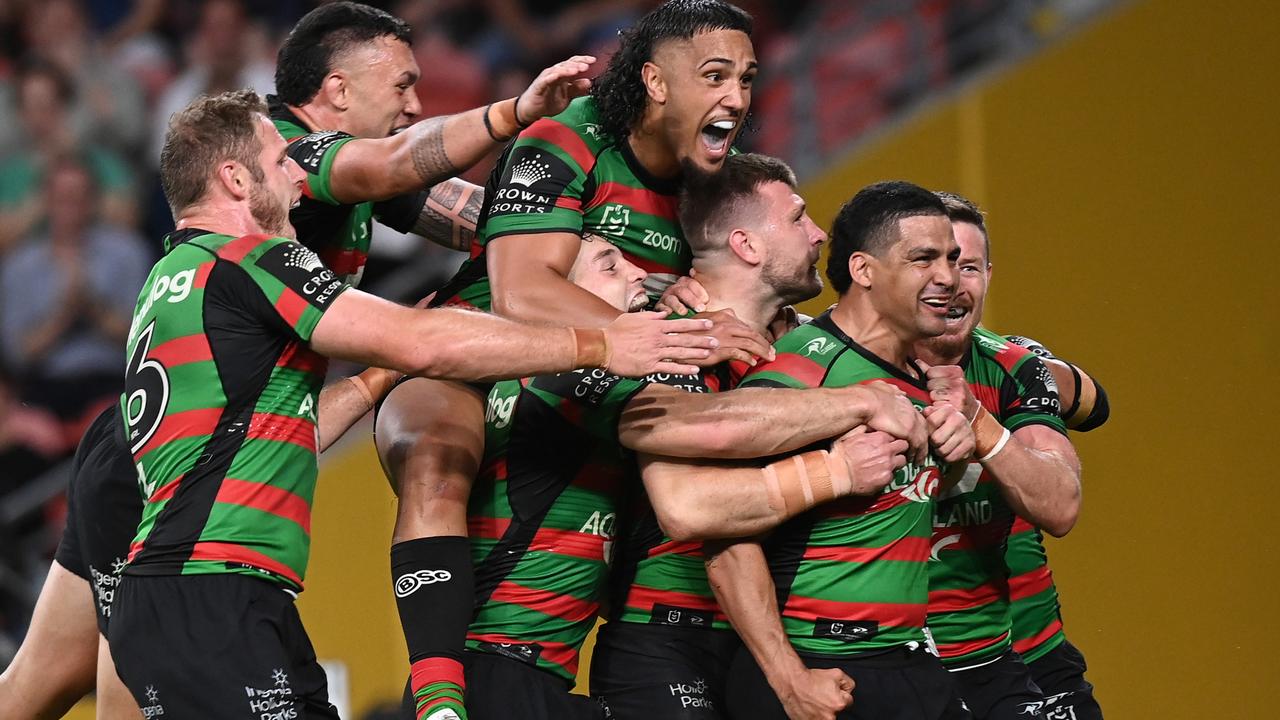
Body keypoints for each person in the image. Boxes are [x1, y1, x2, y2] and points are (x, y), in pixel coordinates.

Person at [103, 89, 716, 719]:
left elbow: (287, 432)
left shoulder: (169, 281)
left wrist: (374, 380)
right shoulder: (253, 259)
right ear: (234, 178)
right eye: (283, 162)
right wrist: (600, 343)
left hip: (166, 594)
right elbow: (424, 343)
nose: (298, 180)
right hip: (215, 591)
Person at [375, 2, 770, 716]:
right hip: (477, 348)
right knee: (434, 453)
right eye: (715, 76)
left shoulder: (719, 186)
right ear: (655, 82)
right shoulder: (569, 137)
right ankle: (437, 695)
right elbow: (522, 293)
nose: (736, 98)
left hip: (614, 372)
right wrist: (678, 340)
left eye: (746, 77)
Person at [452, 156, 927, 720]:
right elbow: (691, 502)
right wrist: (842, 451)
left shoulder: (797, 347)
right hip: (655, 644)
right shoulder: (654, 340)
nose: (817, 232)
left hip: (746, 639)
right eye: (798, 217)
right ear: (746, 245)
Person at [705, 181, 980, 720]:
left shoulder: (920, 375)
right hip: (822, 671)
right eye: (923, 258)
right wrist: (789, 680)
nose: (947, 277)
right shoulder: (804, 368)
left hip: (908, 664)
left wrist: (956, 457)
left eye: (951, 257)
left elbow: (895, 504)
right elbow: (725, 539)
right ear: (863, 270)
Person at [911, 191, 1081, 720]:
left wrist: (985, 426)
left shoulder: (1015, 368)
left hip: (1029, 654)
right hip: (901, 663)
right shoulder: (832, 359)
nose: (952, 282)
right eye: (934, 263)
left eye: (969, 266)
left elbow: (1062, 507)